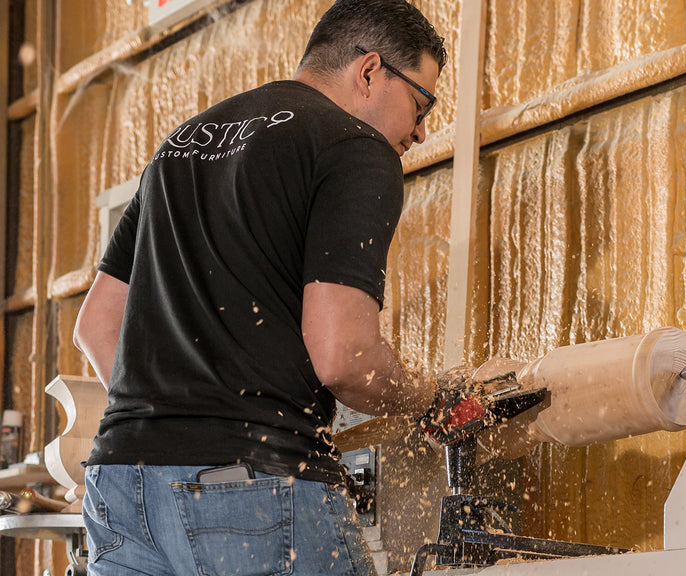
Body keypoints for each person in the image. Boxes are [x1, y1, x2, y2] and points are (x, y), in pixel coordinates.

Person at [72, 1, 476, 574]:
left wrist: (171, 430)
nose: (420, 129)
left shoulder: (181, 145)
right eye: (421, 102)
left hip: (120, 490)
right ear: (369, 71)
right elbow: (343, 357)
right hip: (251, 486)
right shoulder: (355, 148)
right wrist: (429, 401)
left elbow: (97, 325)